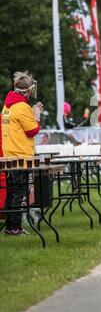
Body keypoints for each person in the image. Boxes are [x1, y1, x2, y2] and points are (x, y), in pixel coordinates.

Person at [1, 71, 43, 236]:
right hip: (21, 156)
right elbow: (32, 130)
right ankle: (15, 227)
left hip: (9, 154)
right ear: (29, 91)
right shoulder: (22, 107)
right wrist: (36, 117)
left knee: (11, 191)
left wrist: (30, 116)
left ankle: (10, 226)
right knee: (19, 192)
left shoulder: (7, 105)